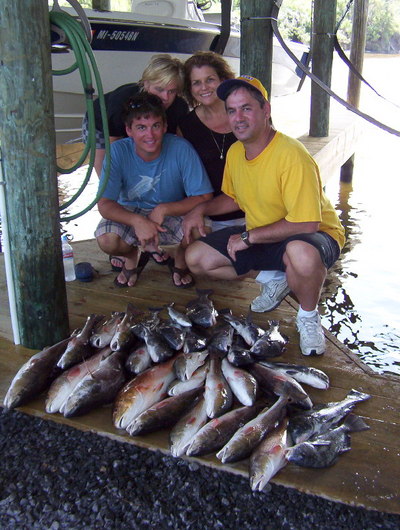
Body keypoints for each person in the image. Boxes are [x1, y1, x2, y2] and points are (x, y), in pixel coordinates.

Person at [183, 76, 345, 356]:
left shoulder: (292, 155)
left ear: (266, 110)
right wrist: (201, 209)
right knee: (196, 258)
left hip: (316, 235)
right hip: (266, 233)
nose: (238, 118)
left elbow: (307, 223)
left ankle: (308, 316)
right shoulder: (236, 151)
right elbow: (234, 197)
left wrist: (248, 237)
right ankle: (274, 276)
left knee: (300, 254)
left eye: (246, 108)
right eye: (232, 110)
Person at [95, 92, 213, 289]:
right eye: (141, 127)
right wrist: (138, 221)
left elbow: (204, 196)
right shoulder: (117, 151)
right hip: (131, 211)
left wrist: (163, 209)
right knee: (107, 240)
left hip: (172, 210)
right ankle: (131, 256)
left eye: (155, 126)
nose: (149, 135)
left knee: (202, 230)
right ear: (129, 130)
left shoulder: (181, 148)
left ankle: (180, 258)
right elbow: (104, 204)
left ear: (165, 127)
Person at [82, 53, 189, 272]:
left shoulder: (178, 107)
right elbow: (115, 154)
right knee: (109, 181)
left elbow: (175, 148)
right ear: (145, 83)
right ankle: (127, 244)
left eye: (172, 91)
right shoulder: (122, 102)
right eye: (159, 89)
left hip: (146, 128)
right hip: (104, 127)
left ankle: (151, 240)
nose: (165, 97)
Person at [178, 51, 244, 231]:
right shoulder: (186, 126)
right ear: (189, 88)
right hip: (209, 216)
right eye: (196, 83)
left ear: (223, 79)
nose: (204, 87)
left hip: (254, 210)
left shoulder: (245, 114)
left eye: (210, 80)